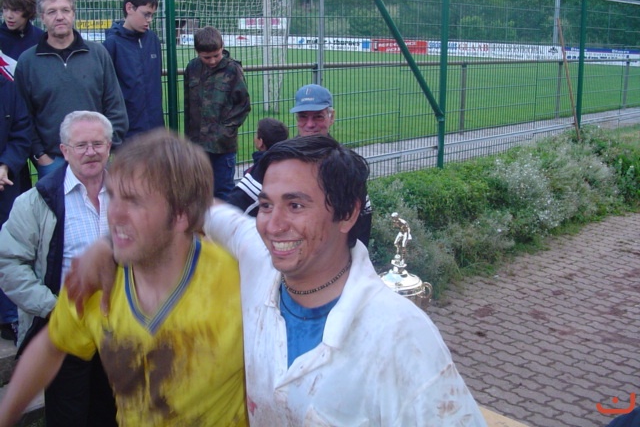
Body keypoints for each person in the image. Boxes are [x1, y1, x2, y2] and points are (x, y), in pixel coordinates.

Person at [65, 135, 486, 426]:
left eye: (296, 205)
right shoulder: (257, 261)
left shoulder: (399, 336)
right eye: (266, 205)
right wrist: (107, 246)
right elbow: (201, 210)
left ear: (347, 214)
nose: (273, 224)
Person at [0, 129, 248, 427]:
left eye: (134, 201)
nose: (114, 214)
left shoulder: (237, 280)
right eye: (112, 196)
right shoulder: (97, 281)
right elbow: (51, 346)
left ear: (181, 214)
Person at [0, 111, 116, 426]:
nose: (91, 152)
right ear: (64, 151)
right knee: (68, 415)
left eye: (98, 144)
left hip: (118, 328)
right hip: (65, 327)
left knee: (113, 412)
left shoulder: (127, 195)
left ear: (109, 147)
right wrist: (53, 308)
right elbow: (8, 262)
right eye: (81, 145)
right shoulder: (36, 202)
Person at [227, 83, 373, 246]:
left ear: (331, 117)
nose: (310, 124)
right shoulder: (278, 159)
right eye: (303, 117)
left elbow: (362, 215)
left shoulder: (346, 164)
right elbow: (235, 207)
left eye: (318, 117)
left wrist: (354, 257)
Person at [14, 0, 128, 179]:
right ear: (42, 17)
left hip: (95, 157)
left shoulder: (98, 54)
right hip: (53, 162)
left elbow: (115, 106)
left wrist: (108, 146)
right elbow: (23, 116)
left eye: (65, 10)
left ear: (73, 14)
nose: (59, 17)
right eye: (52, 12)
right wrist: (40, 155)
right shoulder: (28, 62)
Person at [183, 26, 251, 200]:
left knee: (223, 191)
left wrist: (224, 131)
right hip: (197, 145)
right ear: (197, 52)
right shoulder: (192, 68)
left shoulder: (232, 70)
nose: (212, 61)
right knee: (198, 190)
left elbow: (243, 105)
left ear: (222, 47)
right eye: (206, 57)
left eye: (216, 55)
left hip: (223, 147)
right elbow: (188, 106)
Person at [103, 0, 164, 139]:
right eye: (146, 14)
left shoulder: (153, 40)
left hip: (155, 129)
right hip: (127, 133)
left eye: (152, 15)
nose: (149, 20)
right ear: (129, 8)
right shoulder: (112, 44)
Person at [0, 76, 32, 342]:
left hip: (6, 182)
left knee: (7, 248)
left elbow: (22, 132)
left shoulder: (8, 88)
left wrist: (5, 165)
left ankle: (9, 316)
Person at [0, 0, 44, 81]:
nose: (9, 15)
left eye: (15, 10)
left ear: (28, 10)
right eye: (5, 9)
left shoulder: (42, 38)